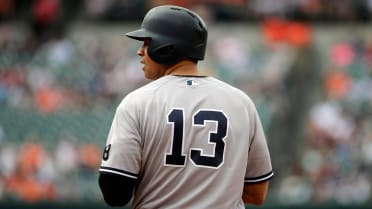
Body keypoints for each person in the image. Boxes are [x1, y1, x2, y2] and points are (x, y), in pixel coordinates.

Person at [98, 5, 273, 209]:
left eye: (147, 43)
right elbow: (257, 193)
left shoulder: (138, 102)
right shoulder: (241, 102)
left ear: (165, 47)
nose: (140, 52)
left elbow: (115, 194)